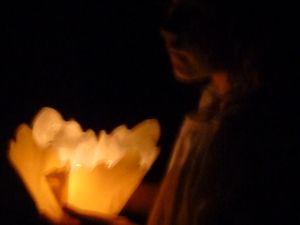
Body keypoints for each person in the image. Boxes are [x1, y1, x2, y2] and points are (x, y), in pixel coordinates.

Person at [49, 0, 298, 224]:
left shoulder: (260, 133)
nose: (169, 30)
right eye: (171, 5)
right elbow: (192, 199)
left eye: (195, 12)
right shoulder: (213, 101)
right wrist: (101, 187)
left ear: (244, 26)